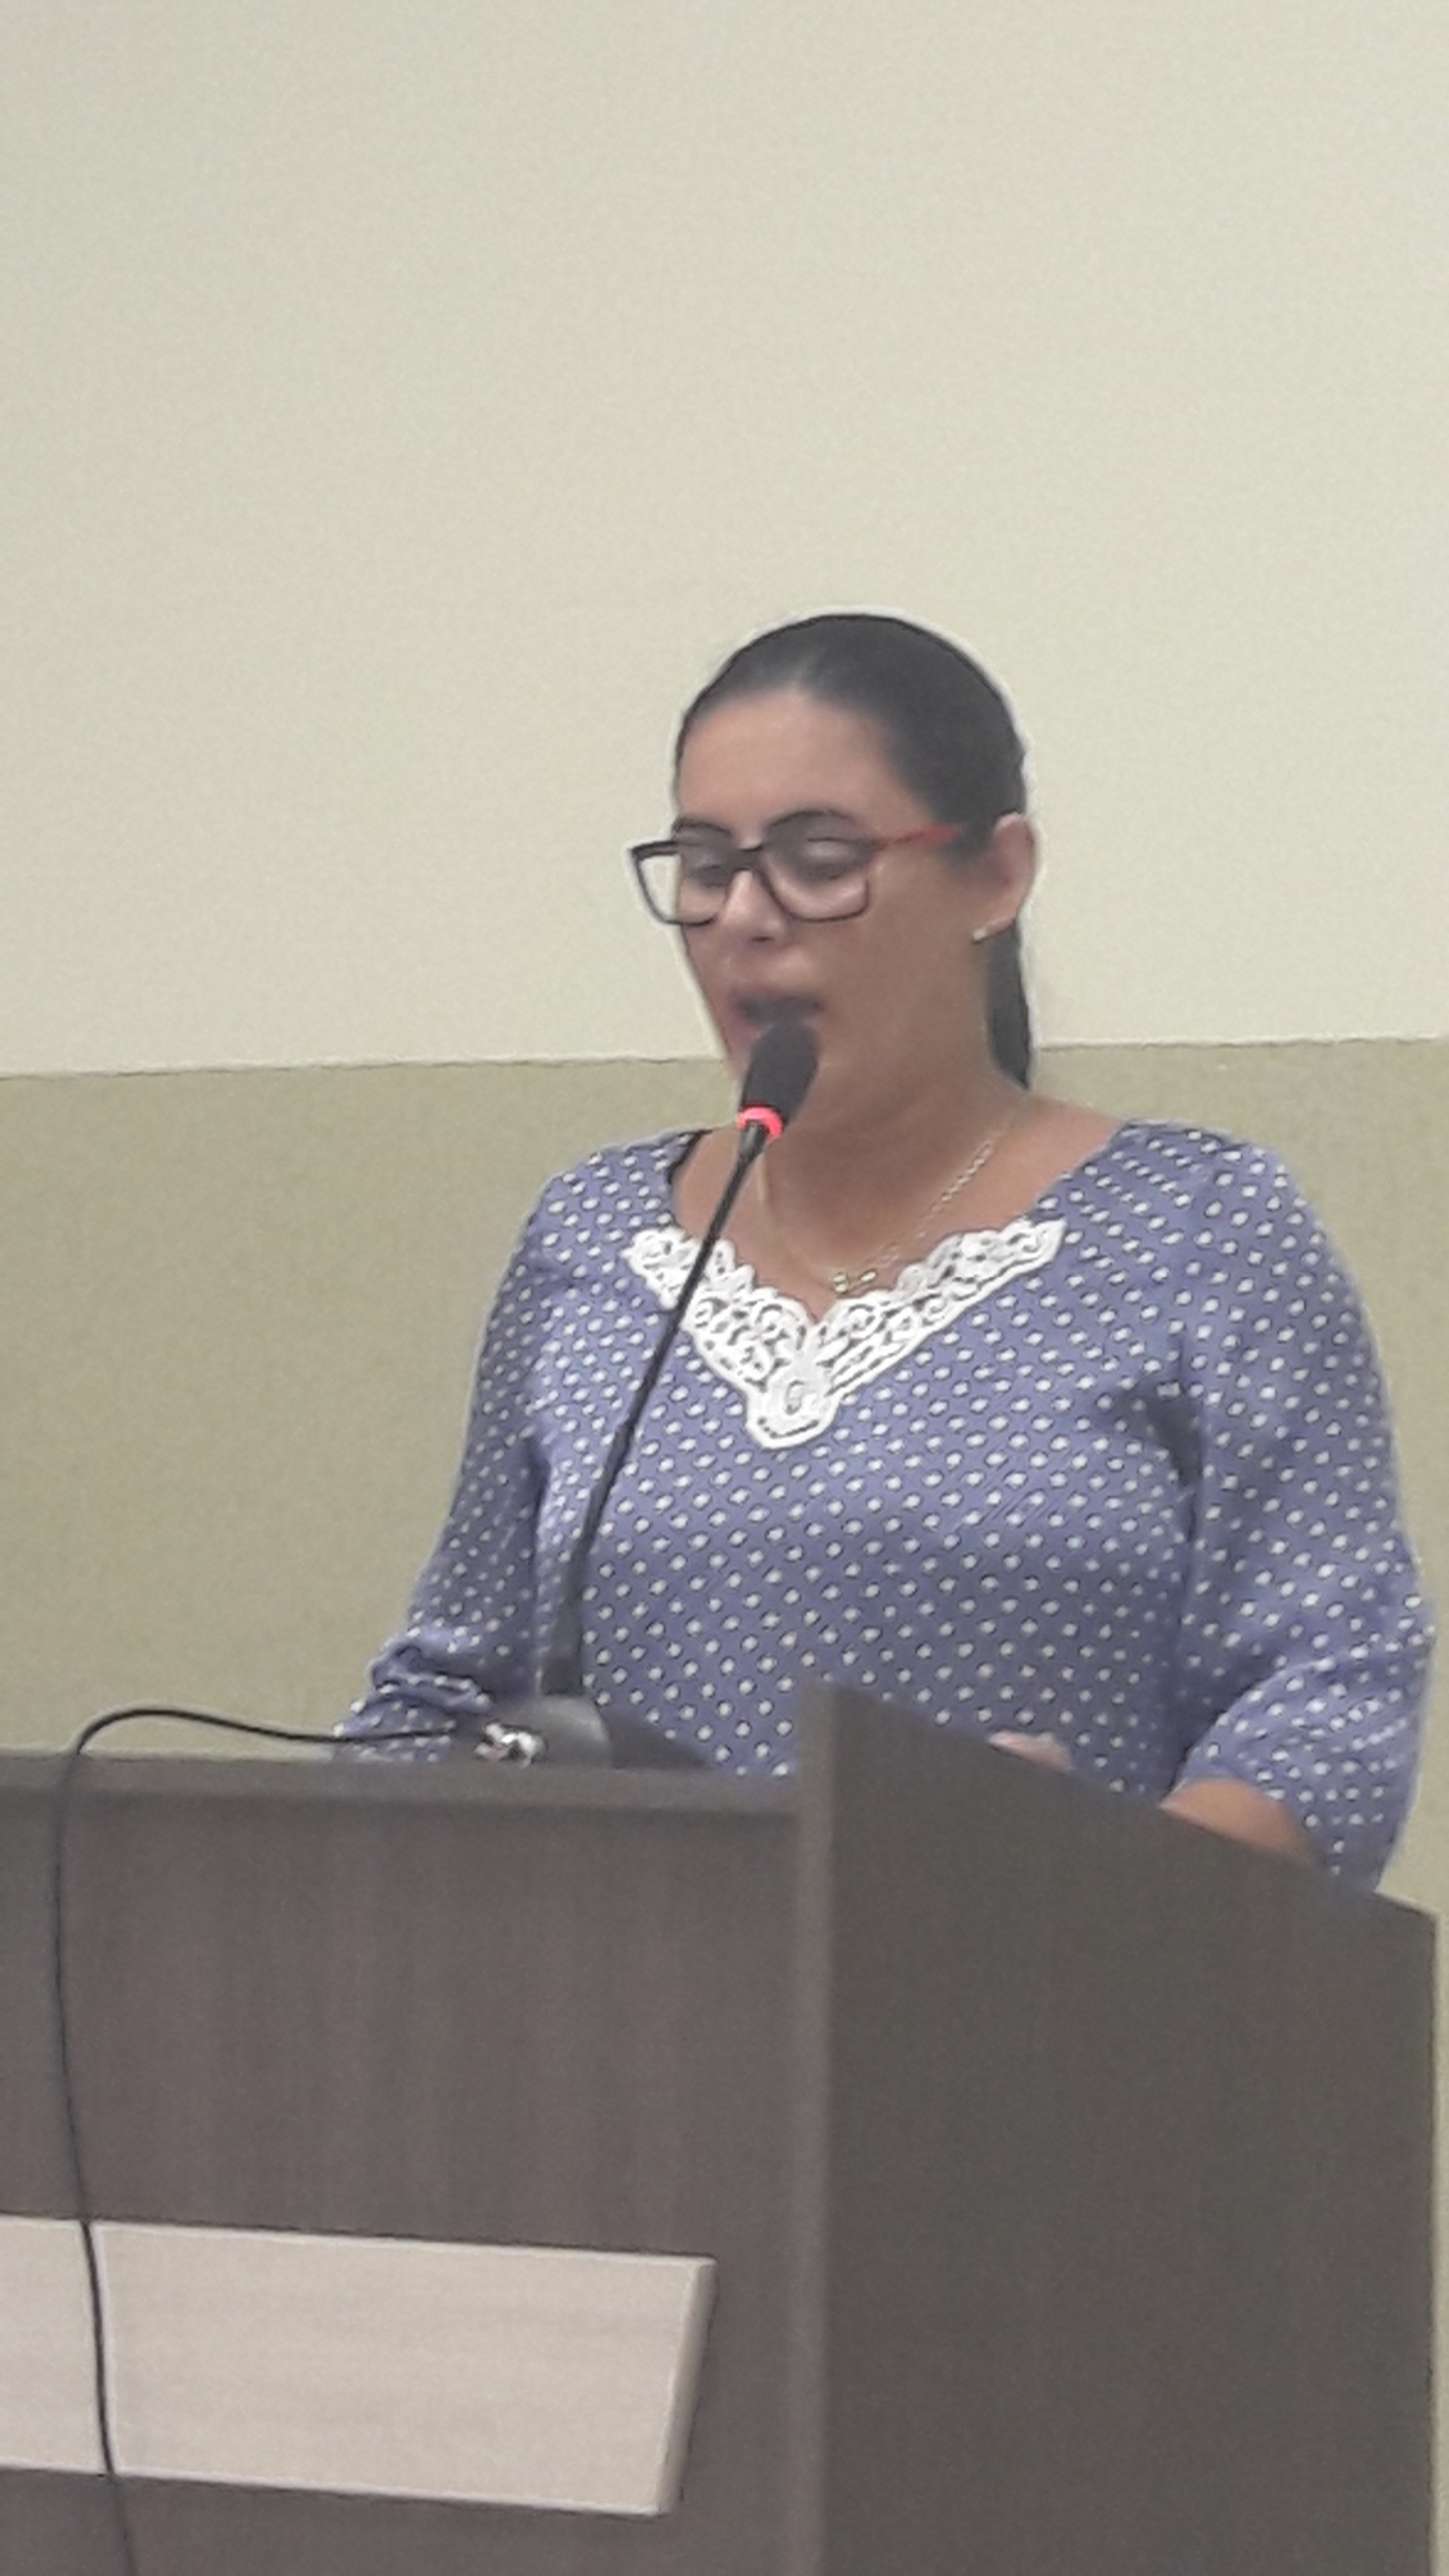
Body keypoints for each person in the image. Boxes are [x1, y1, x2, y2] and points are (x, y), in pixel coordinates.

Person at [342, 612, 1432, 1887]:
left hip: (1057, 1991)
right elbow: (441, 1691)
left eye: (818, 860)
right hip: (625, 2000)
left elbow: (1327, 1701)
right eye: (704, 866)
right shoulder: (591, 1236)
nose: (745, 916)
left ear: (994, 877)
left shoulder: (1204, 1227)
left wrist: (1077, 1872)